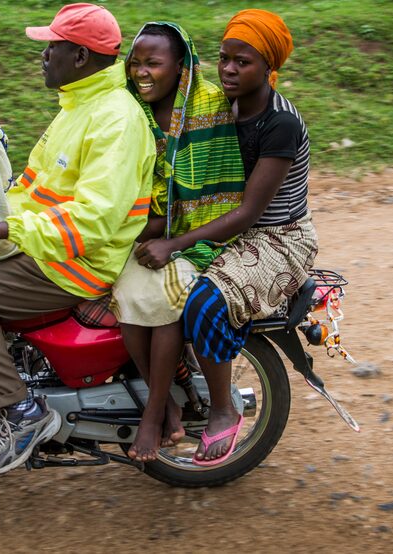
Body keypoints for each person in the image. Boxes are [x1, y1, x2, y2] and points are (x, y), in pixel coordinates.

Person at [0, 3, 155, 475]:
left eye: (51, 46)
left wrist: (5, 230)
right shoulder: (78, 108)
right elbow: (30, 189)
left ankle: (21, 414)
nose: (44, 55)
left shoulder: (115, 120)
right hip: (51, 248)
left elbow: (93, 220)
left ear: (79, 56)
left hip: (78, 262)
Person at [129, 9, 318, 466]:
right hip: (226, 227)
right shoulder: (218, 109)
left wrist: (172, 242)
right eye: (224, 59)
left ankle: (223, 412)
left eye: (243, 62)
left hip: (277, 238)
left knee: (204, 302)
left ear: (269, 67)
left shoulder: (280, 124)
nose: (230, 70)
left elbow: (249, 211)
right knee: (157, 293)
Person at [109, 22, 245, 462]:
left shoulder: (211, 108)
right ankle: (163, 399)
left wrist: (172, 237)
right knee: (125, 293)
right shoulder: (132, 110)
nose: (141, 73)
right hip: (149, 230)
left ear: (181, 67)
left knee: (167, 300)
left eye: (154, 63)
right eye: (136, 63)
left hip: (204, 233)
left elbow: (222, 192)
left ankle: (152, 416)